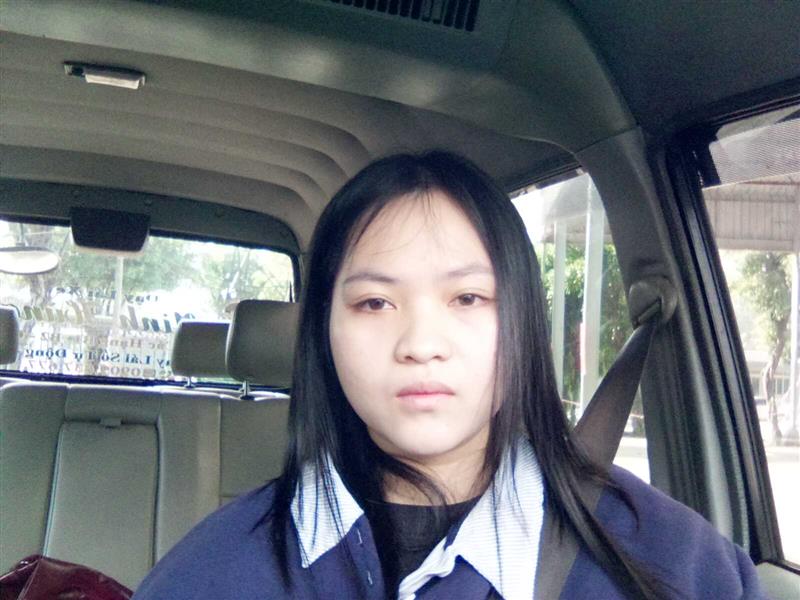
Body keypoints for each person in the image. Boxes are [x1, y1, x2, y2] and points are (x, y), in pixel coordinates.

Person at [133, 151, 765, 599]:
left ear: (521, 319)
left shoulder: (679, 565)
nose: (421, 344)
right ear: (324, 332)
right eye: (374, 303)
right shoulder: (213, 573)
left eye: (467, 298)